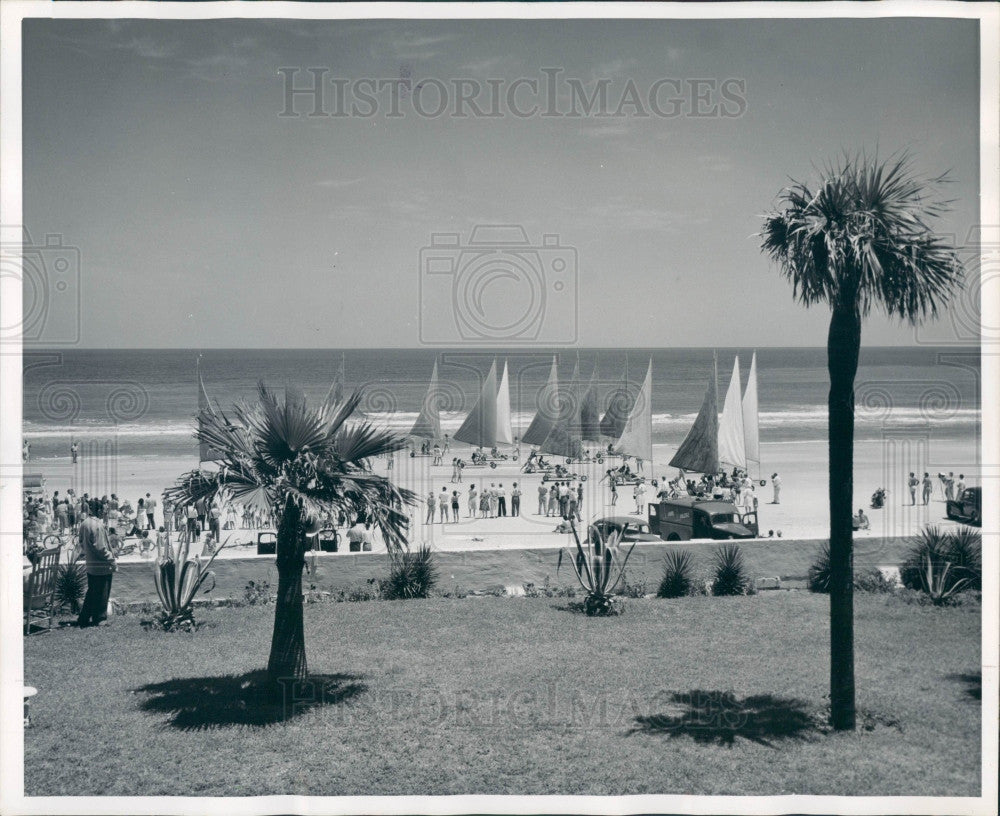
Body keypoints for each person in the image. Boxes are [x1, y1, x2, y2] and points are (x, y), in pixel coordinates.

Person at [77, 507, 116, 628]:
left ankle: (84, 618)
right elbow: (100, 548)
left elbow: (81, 542)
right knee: (103, 592)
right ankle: (100, 619)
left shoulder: (85, 523)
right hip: (101, 565)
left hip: (91, 564)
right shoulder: (98, 525)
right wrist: (111, 559)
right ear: (99, 511)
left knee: (92, 592)